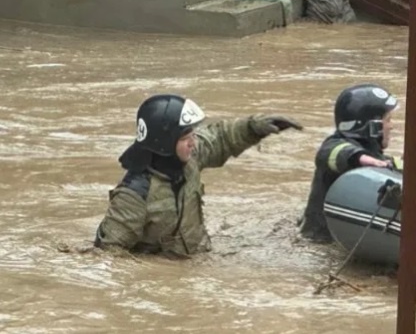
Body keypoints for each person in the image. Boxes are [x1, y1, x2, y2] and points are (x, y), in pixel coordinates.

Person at [95, 94, 303, 256]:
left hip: (197, 258)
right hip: (169, 278)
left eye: (192, 135)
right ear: (165, 143)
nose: (193, 142)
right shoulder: (134, 195)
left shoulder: (189, 158)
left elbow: (221, 138)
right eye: (185, 137)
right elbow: (110, 256)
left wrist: (254, 127)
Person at [299, 83, 416, 242]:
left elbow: (414, 165)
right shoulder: (338, 146)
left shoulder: (378, 161)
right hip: (320, 242)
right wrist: (359, 158)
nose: (392, 126)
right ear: (374, 127)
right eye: (388, 120)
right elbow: (329, 154)